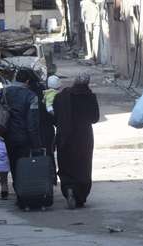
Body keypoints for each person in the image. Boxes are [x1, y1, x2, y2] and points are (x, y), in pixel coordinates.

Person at [53, 73, 99, 209]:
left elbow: (55, 117)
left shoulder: (61, 96)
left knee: (66, 164)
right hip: (83, 138)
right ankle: (80, 195)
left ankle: (69, 188)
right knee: (83, 166)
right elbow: (95, 118)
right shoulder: (90, 97)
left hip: (64, 137)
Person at [0, 68, 41, 188]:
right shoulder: (31, 96)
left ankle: (17, 187)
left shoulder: (4, 91)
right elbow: (32, 123)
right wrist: (36, 143)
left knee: (13, 162)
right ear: (27, 81)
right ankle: (23, 192)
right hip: (24, 137)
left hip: (8, 135)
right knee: (24, 164)